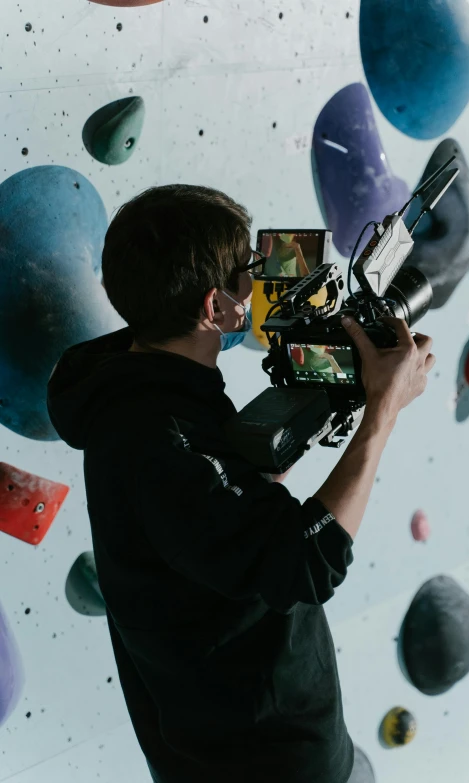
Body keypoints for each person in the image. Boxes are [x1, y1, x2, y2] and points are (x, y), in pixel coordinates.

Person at [46, 184, 435, 783]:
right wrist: (384, 409)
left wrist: (329, 400)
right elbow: (307, 561)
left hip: (251, 748)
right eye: (249, 273)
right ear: (215, 309)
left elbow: (217, 519)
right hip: (267, 762)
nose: (261, 281)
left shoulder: (138, 396)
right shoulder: (160, 437)